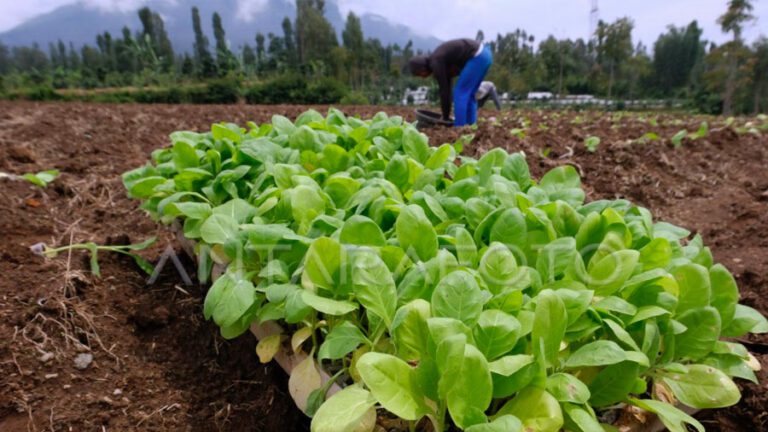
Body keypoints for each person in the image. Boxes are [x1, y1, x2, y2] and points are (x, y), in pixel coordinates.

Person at [409, 38, 493, 126]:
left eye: (419, 74)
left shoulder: (435, 62)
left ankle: (459, 127)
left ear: (422, 68)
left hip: (477, 55)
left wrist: (445, 117)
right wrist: (445, 116)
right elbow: (447, 87)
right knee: (469, 94)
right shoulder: (439, 60)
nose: (422, 77)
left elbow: (444, 91)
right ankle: (471, 125)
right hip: (485, 54)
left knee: (460, 93)